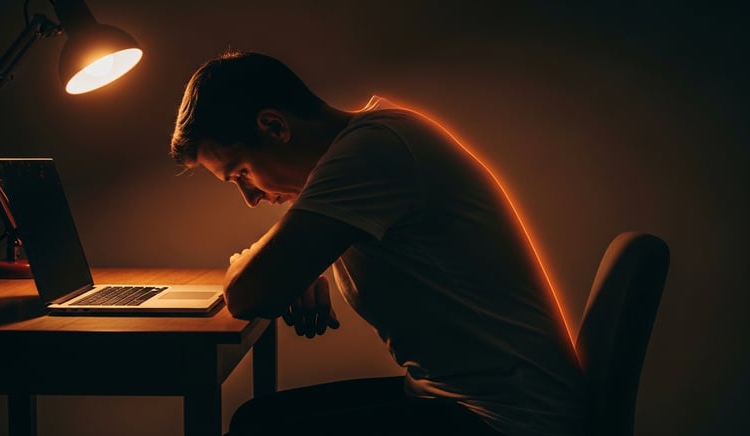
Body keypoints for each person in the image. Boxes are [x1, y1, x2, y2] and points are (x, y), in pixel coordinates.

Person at [170, 50, 585, 436]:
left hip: (509, 419)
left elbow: (247, 293)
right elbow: (265, 276)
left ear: (275, 127)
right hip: (467, 400)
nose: (251, 198)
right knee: (256, 420)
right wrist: (289, 268)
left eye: (241, 173)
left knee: (258, 429)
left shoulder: (371, 152)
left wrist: (277, 271)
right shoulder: (370, 145)